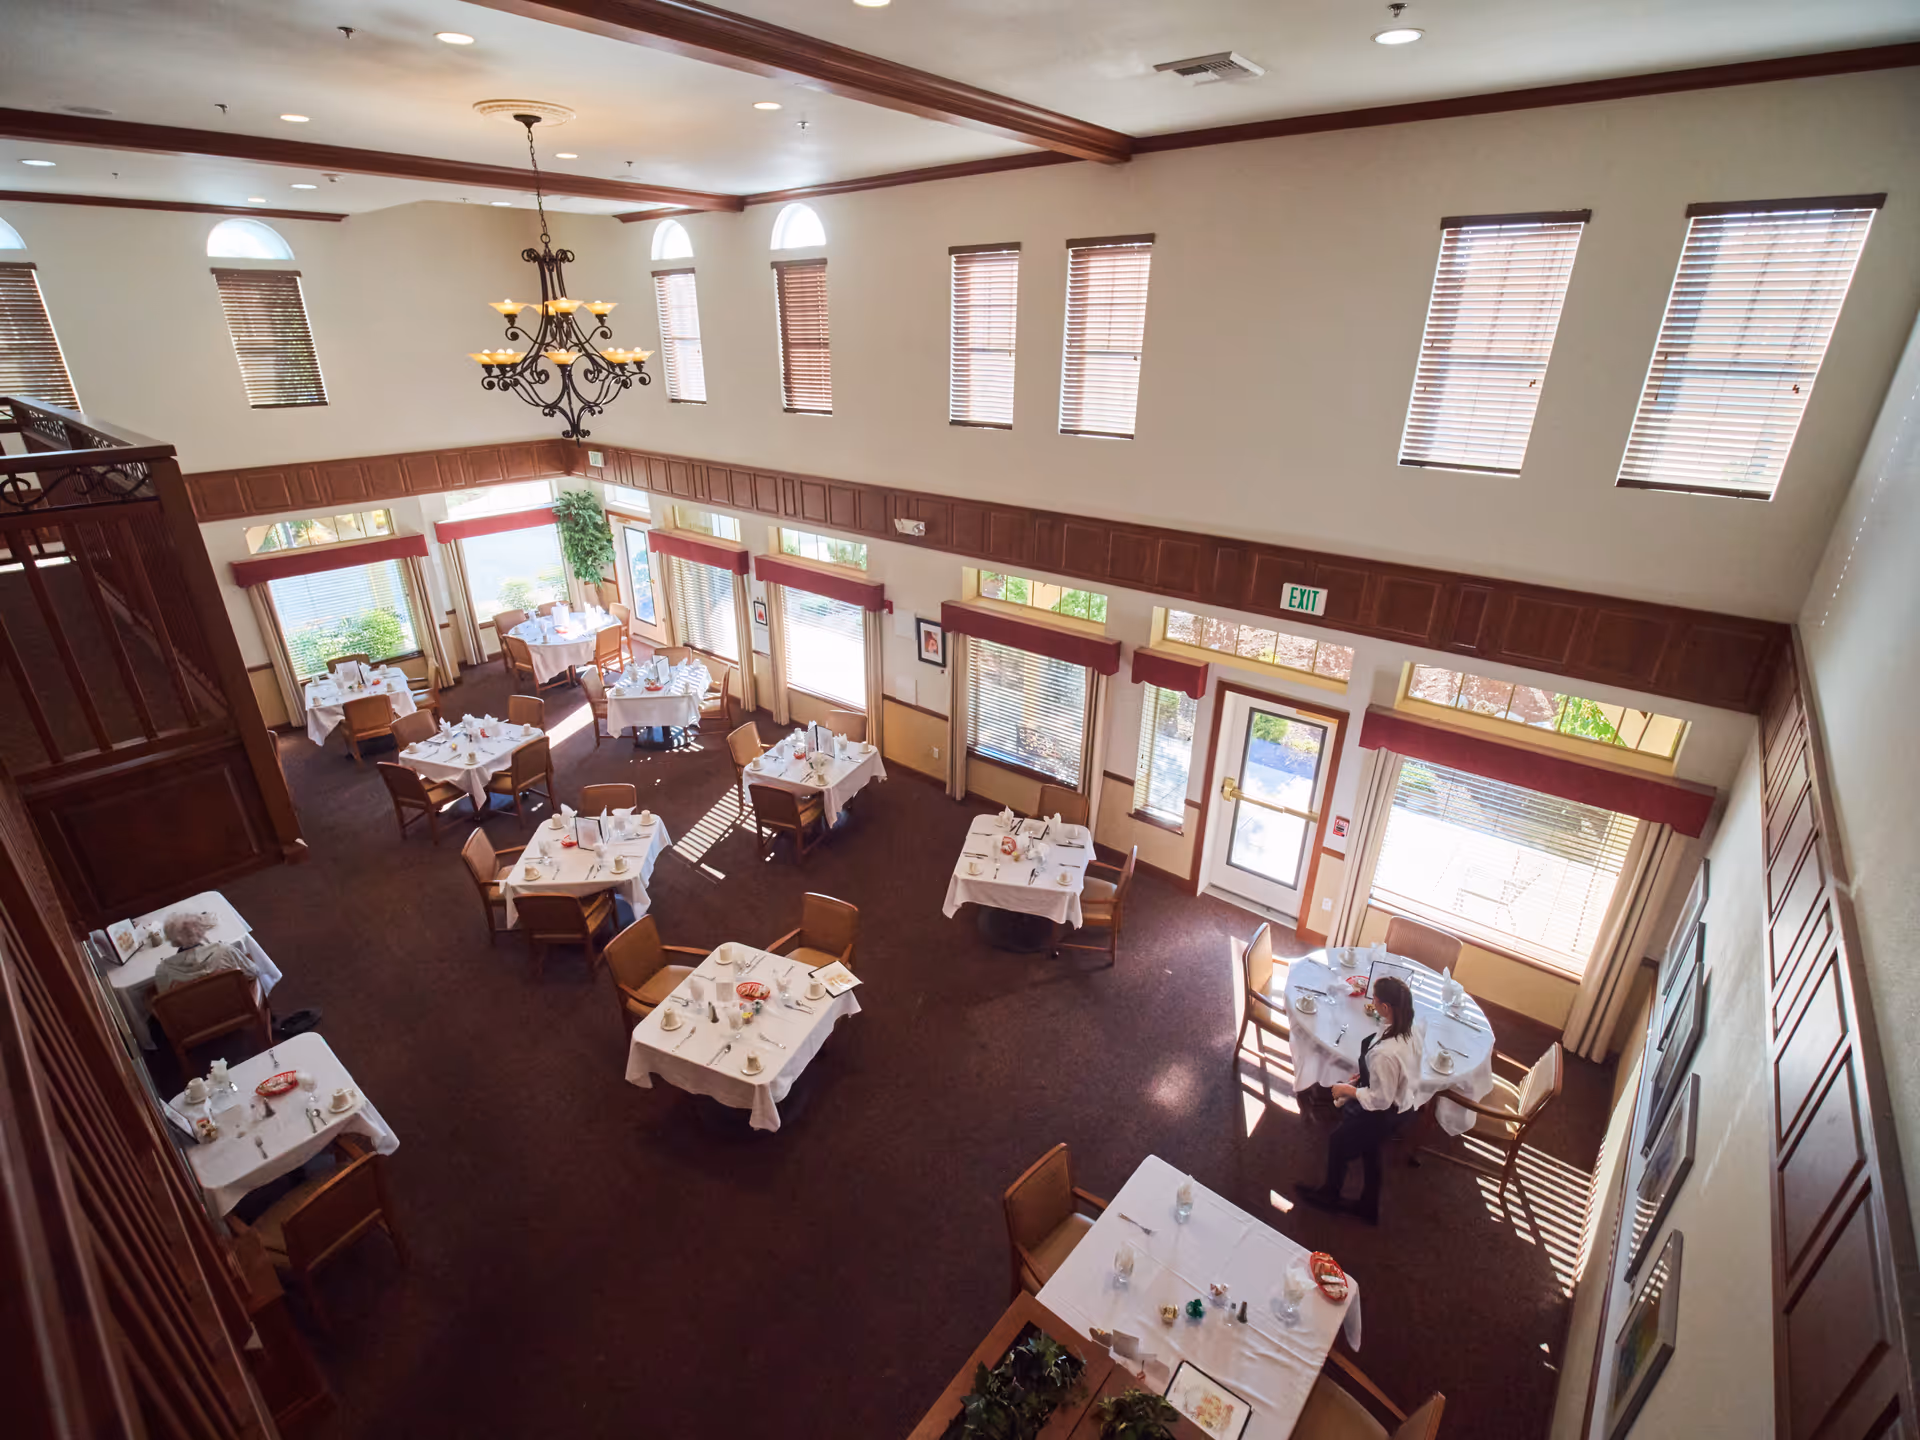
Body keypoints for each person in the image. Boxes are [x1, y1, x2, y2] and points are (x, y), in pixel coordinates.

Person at [1294, 975, 1422, 1225]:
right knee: (1369, 1150)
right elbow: (1399, 1071)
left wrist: (1346, 1089)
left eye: (1374, 1000)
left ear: (1385, 1007)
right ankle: (1368, 1206)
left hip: (1383, 1113)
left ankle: (1330, 1195)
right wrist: (1367, 1075)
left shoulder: (1385, 1054)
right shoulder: (1411, 1029)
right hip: (1404, 1105)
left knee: (1339, 1142)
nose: (1372, 1003)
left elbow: (1380, 1099)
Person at [152, 912, 256, 995]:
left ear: (171, 940)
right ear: (201, 932)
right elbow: (252, 973)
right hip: (235, 1005)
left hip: (197, 1017)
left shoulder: (163, 970)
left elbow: (167, 998)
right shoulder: (224, 951)